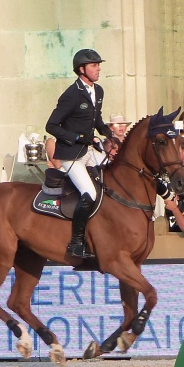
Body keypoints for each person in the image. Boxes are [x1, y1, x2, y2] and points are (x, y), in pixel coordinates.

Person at [45, 47, 110, 260]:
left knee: (111, 180)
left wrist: (110, 135)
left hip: (89, 151)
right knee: (89, 194)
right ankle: (75, 243)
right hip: (71, 154)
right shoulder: (71, 95)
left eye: (98, 65)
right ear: (82, 69)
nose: (98, 68)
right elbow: (51, 126)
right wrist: (79, 138)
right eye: (94, 65)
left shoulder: (98, 90)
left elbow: (96, 119)